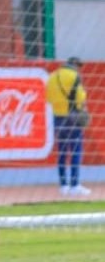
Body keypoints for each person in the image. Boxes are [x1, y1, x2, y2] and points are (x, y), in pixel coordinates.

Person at [45, 56, 91, 196]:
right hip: (73, 117)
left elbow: (48, 97)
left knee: (62, 152)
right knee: (76, 150)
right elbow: (80, 97)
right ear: (75, 65)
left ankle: (63, 185)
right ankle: (75, 184)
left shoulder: (53, 76)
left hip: (58, 117)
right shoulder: (74, 76)